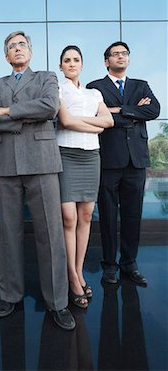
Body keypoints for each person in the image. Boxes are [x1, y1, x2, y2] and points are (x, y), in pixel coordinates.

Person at [0, 30, 75, 331]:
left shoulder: (47, 77)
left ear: (30, 52)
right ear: (6, 56)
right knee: (9, 233)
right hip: (7, 164)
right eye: (11, 46)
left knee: (51, 234)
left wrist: (8, 112)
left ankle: (58, 302)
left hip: (43, 163)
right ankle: (10, 295)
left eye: (22, 45)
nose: (17, 49)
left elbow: (48, 107)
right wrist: (23, 117)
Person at [87, 41, 160, 285]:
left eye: (124, 54)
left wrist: (118, 110)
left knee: (132, 215)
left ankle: (129, 264)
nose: (121, 57)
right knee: (107, 216)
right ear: (106, 61)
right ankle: (109, 265)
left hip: (136, 161)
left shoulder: (141, 86)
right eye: (115, 54)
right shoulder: (95, 87)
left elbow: (154, 111)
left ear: (128, 59)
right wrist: (132, 113)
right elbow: (96, 117)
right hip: (108, 160)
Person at [57, 45, 113, 308]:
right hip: (66, 154)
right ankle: (70, 275)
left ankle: (78, 271)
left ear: (82, 64)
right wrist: (92, 122)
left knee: (86, 215)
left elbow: (109, 123)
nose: (71, 63)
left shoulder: (94, 92)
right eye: (67, 60)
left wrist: (80, 119)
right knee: (68, 217)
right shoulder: (57, 89)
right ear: (61, 66)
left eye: (76, 59)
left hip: (91, 156)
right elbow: (65, 122)